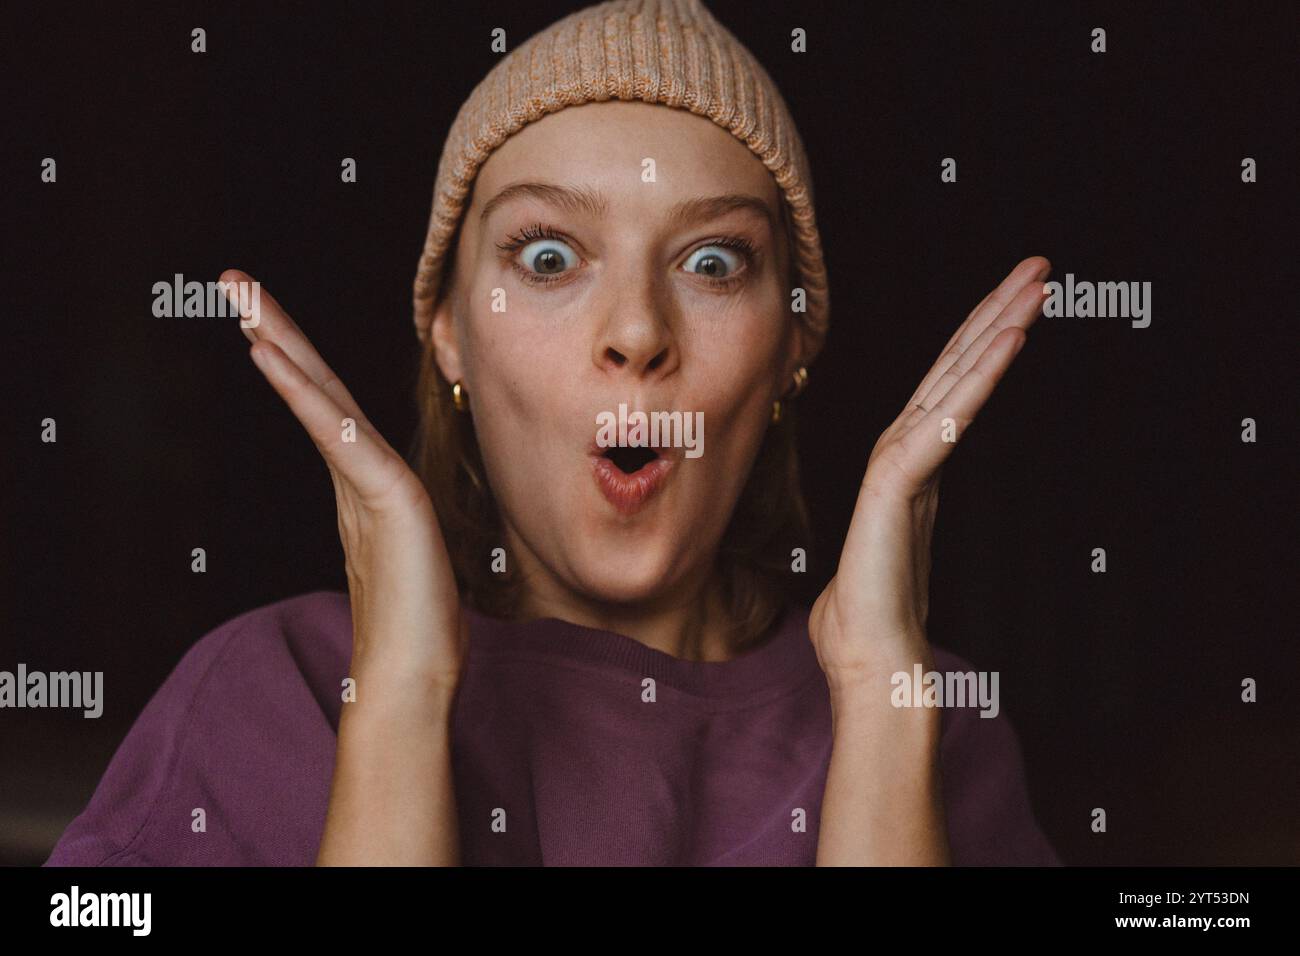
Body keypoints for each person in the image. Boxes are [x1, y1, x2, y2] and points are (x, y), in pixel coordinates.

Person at [46, 0, 1059, 866]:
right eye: (545, 256)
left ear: (791, 342)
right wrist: (399, 694)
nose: (633, 333)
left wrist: (882, 716)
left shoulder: (939, 724)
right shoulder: (270, 691)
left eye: (712, 263)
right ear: (447, 331)